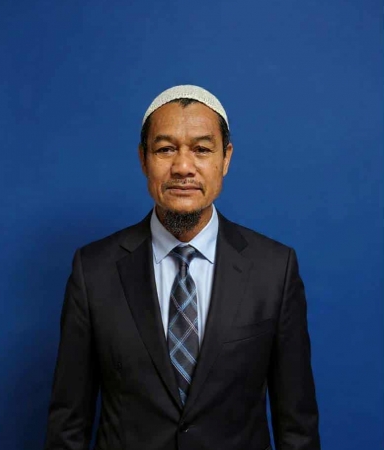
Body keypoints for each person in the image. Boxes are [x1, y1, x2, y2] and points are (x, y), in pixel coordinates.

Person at [44, 85, 320, 450]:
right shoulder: (93, 270)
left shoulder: (275, 269)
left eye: (202, 149)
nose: (183, 167)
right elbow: (68, 425)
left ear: (226, 159)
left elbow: (297, 427)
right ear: (143, 159)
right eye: (165, 149)